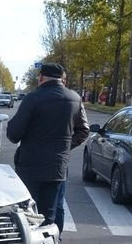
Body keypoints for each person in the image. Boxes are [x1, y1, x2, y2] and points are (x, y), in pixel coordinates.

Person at [6, 62, 89, 233]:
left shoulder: (33, 98)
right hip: (57, 166)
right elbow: (84, 130)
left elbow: (14, 134)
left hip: (30, 165)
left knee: (26, 210)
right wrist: (65, 147)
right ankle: (52, 243)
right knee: (53, 209)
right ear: (62, 80)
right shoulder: (74, 98)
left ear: (41, 78)